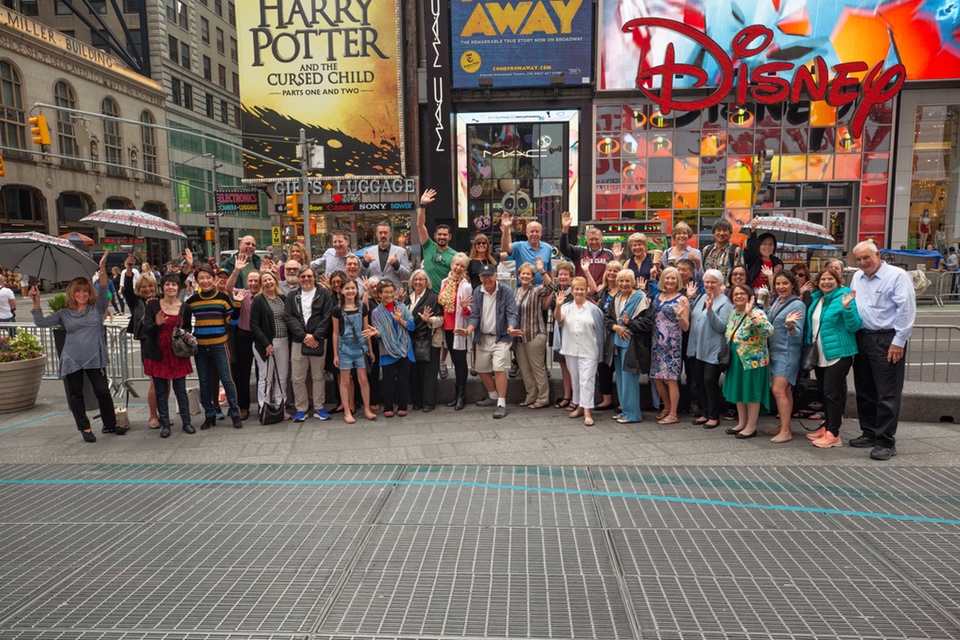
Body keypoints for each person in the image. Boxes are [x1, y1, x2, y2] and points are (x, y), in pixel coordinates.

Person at [29, 253, 120, 443]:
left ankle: (110, 424)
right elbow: (41, 323)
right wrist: (36, 302)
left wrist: (102, 268)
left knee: (103, 391)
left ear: (89, 293)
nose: (81, 294)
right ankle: (84, 428)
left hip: (95, 356)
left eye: (85, 291)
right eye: (78, 292)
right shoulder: (64, 313)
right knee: (75, 394)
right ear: (72, 293)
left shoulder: (97, 308)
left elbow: (104, 288)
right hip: (72, 358)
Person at [849, 241, 916, 460]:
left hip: (887, 338)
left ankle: (885, 441)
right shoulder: (857, 276)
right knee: (865, 389)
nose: (862, 263)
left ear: (878, 255)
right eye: (858, 260)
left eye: (866, 258)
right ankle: (869, 432)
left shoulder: (897, 276)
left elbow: (906, 310)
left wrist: (899, 341)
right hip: (863, 336)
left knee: (887, 392)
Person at [803, 266, 861, 449]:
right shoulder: (817, 299)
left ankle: (834, 434)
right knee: (823, 392)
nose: (826, 282)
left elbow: (854, 326)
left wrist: (847, 308)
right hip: (820, 354)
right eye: (823, 279)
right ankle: (827, 426)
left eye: (831, 279)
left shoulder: (844, 298)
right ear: (818, 282)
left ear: (838, 281)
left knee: (831, 393)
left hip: (838, 354)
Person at [456, 264, 523, 419]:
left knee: (499, 368)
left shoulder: (506, 291)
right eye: (483, 276)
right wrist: (468, 331)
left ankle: (501, 403)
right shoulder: (477, 292)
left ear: (496, 276)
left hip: (501, 337)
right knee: (481, 368)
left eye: (489, 276)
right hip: (483, 337)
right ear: (479, 278)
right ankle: (493, 395)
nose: (486, 279)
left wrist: (512, 327)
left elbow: (512, 313)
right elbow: (475, 315)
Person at [186, 263, 243, 430]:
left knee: (227, 379)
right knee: (204, 381)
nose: (205, 281)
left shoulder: (223, 298)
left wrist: (237, 304)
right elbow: (186, 325)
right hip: (201, 348)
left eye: (208, 278)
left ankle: (234, 412)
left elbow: (232, 321)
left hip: (220, 344)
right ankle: (209, 414)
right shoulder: (192, 302)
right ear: (196, 281)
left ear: (214, 279)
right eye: (201, 278)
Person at [142, 273, 195, 438]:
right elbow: (147, 329)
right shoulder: (153, 306)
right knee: (161, 391)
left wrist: (184, 334)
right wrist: (157, 325)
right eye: (167, 285)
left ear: (178, 288)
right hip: (158, 353)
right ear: (162, 287)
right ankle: (165, 423)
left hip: (177, 353)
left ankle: (187, 422)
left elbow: (187, 328)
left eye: (173, 285)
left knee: (180, 390)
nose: (170, 287)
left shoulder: (185, 307)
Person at [722, 284, 774, 439]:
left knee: (751, 392)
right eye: (735, 294)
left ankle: (751, 426)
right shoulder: (733, 314)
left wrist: (751, 314)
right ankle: (742, 422)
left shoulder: (758, 312)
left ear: (750, 296)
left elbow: (768, 331)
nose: (738, 296)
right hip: (736, 359)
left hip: (753, 361)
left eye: (742, 294)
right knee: (739, 391)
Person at [284, 265, 335, 422]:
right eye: (303, 277)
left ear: (314, 277)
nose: (306, 279)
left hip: (318, 341)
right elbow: (289, 317)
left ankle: (319, 407)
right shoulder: (292, 296)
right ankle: (301, 408)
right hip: (299, 341)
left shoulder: (323, 294)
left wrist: (315, 336)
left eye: (309, 276)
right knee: (297, 377)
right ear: (299, 279)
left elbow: (327, 316)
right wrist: (304, 335)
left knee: (318, 375)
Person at [554, 276, 606, 426]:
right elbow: (559, 320)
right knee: (576, 380)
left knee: (587, 380)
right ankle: (579, 406)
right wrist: (558, 305)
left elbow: (601, 331)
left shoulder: (594, 309)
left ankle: (588, 411)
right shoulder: (565, 307)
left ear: (586, 291)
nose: (579, 292)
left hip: (589, 349)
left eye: (582, 289)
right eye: (576, 289)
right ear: (572, 290)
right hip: (571, 349)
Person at [604, 269, 654, 424]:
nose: (624, 284)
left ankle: (633, 414)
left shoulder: (641, 298)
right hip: (618, 344)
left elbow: (648, 322)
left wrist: (629, 323)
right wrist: (615, 327)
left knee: (630, 380)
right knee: (620, 379)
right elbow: (607, 317)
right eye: (621, 281)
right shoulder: (617, 297)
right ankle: (625, 411)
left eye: (627, 281)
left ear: (632, 282)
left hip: (633, 345)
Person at [686, 269, 732, 429]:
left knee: (709, 381)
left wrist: (711, 311)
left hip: (713, 349)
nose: (709, 285)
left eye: (713, 282)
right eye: (707, 282)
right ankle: (705, 412)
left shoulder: (725, 302)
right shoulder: (700, 297)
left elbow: (722, 327)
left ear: (720, 284)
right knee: (699, 381)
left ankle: (713, 415)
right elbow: (693, 316)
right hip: (697, 348)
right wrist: (690, 299)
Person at [765, 271, 806, 443]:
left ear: (792, 285)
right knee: (786, 390)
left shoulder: (797, 304)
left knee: (778, 390)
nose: (781, 287)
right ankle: (784, 425)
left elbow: (798, 334)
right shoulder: (777, 301)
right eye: (778, 284)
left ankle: (786, 431)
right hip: (774, 351)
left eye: (785, 283)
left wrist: (790, 326)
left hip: (787, 352)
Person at [365, 280, 415, 417]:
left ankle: (402, 405)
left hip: (404, 348)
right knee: (388, 380)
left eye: (391, 292)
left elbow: (411, 326)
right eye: (386, 292)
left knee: (403, 379)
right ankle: (388, 406)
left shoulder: (402, 307)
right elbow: (380, 335)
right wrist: (377, 333)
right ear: (379, 295)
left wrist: (400, 320)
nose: (389, 294)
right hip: (387, 350)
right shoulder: (376, 313)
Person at [332, 278, 377, 422]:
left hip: (360, 347)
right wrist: (335, 354)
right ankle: (347, 411)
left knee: (363, 379)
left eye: (353, 288)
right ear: (341, 291)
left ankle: (367, 409)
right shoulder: (337, 310)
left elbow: (366, 329)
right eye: (347, 288)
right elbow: (335, 332)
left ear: (357, 290)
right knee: (345, 380)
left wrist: (370, 350)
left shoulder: (362, 307)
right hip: (344, 347)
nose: (350, 291)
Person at [650, 267, 690, 425]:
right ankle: (666, 406)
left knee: (671, 379)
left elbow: (686, 326)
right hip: (656, 343)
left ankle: (673, 413)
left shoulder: (682, 299)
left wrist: (680, 315)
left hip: (672, 345)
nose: (670, 281)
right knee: (656, 377)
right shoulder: (658, 296)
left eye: (673, 278)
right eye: (667, 278)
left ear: (678, 280)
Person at [250, 271, 290, 420]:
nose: (268, 282)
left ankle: (280, 407)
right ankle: (264, 407)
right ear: (262, 284)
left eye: (270, 279)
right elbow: (254, 325)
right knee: (266, 377)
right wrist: (267, 344)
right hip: (266, 344)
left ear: (275, 280)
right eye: (265, 280)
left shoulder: (283, 298)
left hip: (283, 341)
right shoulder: (259, 300)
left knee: (282, 377)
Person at [514, 259, 553, 409]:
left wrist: (542, 270)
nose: (525, 276)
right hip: (519, 336)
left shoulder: (536, 290)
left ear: (532, 277)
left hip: (535, 333)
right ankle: (530, 396)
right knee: (524, 368)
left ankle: (543, 398)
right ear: (519, 276)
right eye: (522, 274)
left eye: (528, 274)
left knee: (538, 368)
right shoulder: (516, 291)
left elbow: (551, 287)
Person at [438, 253, 473, 410]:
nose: (458, 268)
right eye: (456, 265)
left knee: (460, 362)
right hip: (446, 327)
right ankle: (456, 394)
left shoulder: (465, 286)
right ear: (451, 265)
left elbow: (470, 311)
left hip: (458, 328)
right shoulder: (444, 282)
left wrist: (465, 308)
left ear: (465, 269)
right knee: (454, 360)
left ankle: (461, 395)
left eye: (462, 266)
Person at [585, 260, 622, 410]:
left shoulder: (624, 290)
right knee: (603, 367)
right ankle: (607, 399)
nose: (612, 273)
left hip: (618, 333)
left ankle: (622, 400)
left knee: (619, 368)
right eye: (610, 271)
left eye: (616, 271)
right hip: (603, 334)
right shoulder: (603, 291)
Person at [226, 259, 260, 420]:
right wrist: (237, 271)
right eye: (251, 281)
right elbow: (228, 287)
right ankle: (243, 406)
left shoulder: (264, 296)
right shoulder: (242, 294)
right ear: (247, 282)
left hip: (261, 338)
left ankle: (263, 404)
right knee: (242, 374)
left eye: (256, 281)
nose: (254, 283)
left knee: (263, 374)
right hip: (244, 337)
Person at [406, 269, 443, 412]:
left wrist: (429, 320)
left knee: (428, 373)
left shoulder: (433, 298)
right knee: (414, 372)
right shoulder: (408, 297)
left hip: (429, 339)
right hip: (412, 340)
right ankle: (417, 401)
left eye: (421, 279)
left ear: (426, 282)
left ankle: (429, 402)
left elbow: (441, 319)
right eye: (415, 279)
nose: (418, 282)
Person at [559, 210, 614, 282]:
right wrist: (565, 229)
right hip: (582, 291)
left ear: (601, 240)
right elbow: (564, 248)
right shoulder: (579, 251)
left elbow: (614, 272)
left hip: (602, 291)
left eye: (596, 239)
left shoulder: (609, 254)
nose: (594, 242)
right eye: (591, 239)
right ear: (587, 240)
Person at [550, 262, 576, 409]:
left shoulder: (574, 291)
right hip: (559, 332)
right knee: (563, 365)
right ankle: (567, 396)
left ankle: (575, 398)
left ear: (571, 277)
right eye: (560, 274)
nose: (563, 277)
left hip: (571, 333)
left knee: (573, 366)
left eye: (566, 274)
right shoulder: (555, 291)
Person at [501, 212, 552, 284]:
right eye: (532, 231)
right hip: (523, 290)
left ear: (541, 233)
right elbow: (505, 248)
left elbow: (549, 270)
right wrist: (506, 229)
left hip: (542, 291)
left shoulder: (548, 248)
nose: (534, 234)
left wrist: (552, 289)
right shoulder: (519, 246)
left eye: (537, 231)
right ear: (527, 233)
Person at [356, 220, 411, 288]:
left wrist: (397, 265)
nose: (383, 235)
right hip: (374, 294)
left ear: (390, 234)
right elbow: (361, 277)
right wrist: (365, 264)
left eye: (385, 233)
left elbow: (408, 276)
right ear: (377, 235)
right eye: (380, 233)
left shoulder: (401, 252)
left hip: (393, 295)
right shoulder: (368, 252)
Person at [744, 219, 783, 294]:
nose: (767, 247)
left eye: (770, 244)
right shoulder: (754, 259)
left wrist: (776, 273)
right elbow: (751, 248)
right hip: (753, 293)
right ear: (758, 245)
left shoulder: (777, 262)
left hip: (770, 294)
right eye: (764, 244)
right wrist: (753, 231)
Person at [701, 219, 744, 285]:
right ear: (713, 233)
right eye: (718, 230)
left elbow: (739, 275)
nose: (721, 233)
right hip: (709, 290)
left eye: (725, 230)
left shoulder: (736, 251)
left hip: (727, 291)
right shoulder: (707, 250)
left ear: (730, 234)